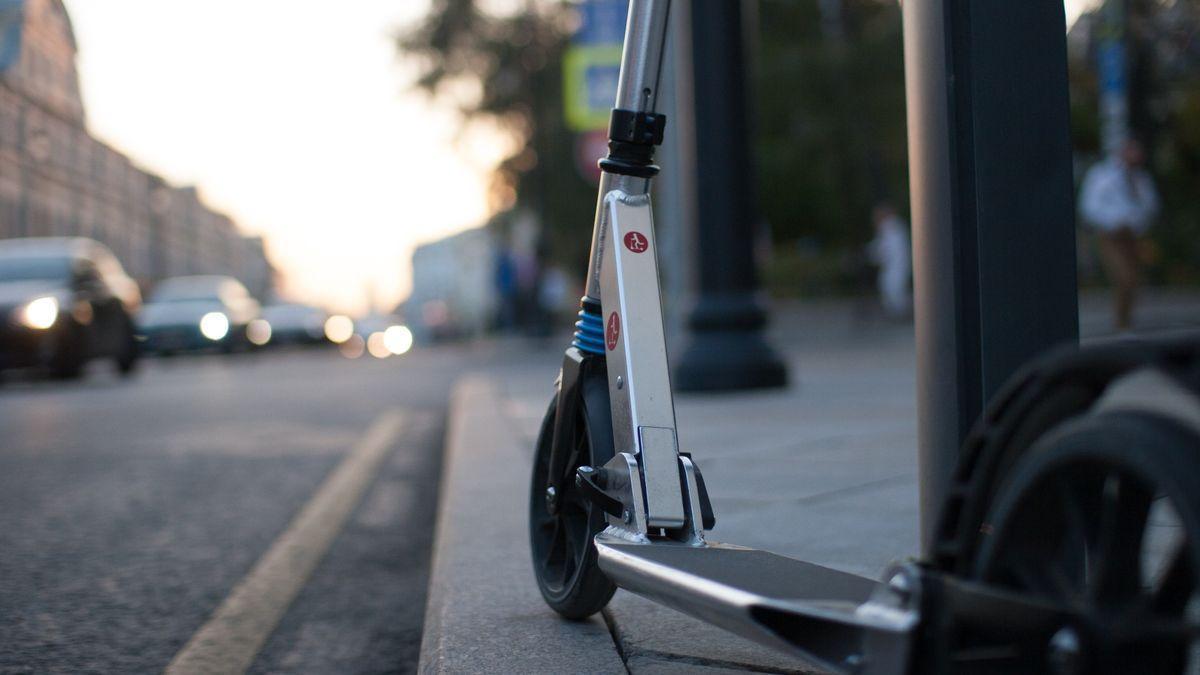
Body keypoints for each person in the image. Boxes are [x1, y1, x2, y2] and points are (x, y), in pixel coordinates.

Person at [1079, 139, 1160, 330]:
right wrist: (1113, 222)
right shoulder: (1102, 175)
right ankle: (1121, 324)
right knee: (1123, 277)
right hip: (1111, 237)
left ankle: (1125, 322)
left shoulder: (1141, 179)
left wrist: (1137, 223)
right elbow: (1090, 206)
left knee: (1133, 280)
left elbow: (1151, 207)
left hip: (1133, 237)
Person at [867, 203, 912, 319]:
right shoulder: (893, 227)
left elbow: (885, 249)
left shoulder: (890, 226)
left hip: (896, 265)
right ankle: (898, 312)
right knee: (890, 287)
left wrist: (872, 254)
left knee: (893, 287)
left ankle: (900, 313)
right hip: (895, 265)